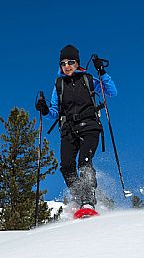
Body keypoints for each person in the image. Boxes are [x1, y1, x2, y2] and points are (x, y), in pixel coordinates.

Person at [35, 44, 117, 210]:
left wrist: (102, 71)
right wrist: (44, 109)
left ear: (77, 63)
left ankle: (88, 200)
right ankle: (78, 196)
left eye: (70, 62)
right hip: (68, 130)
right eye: (63, 63)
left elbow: (111, 91)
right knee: (66, 166)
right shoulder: (59, 85)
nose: (66, 66)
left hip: (90, 127)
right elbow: (53, 112)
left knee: (84, 161)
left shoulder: (87, 79)